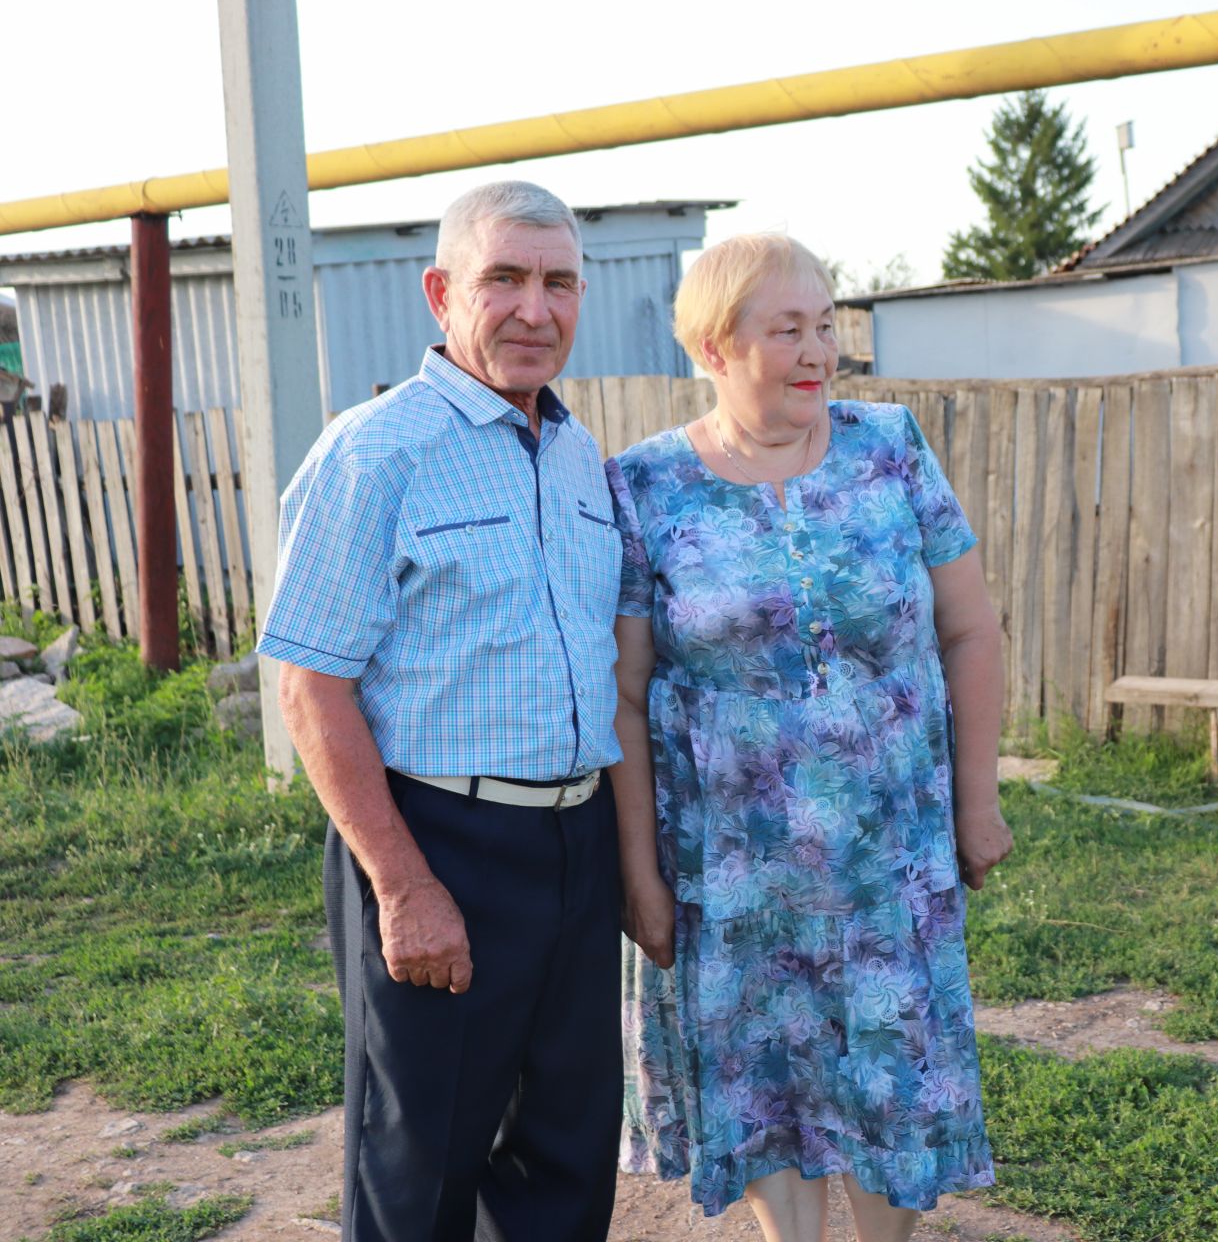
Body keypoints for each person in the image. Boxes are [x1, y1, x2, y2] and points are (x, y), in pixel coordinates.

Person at [606, 232, 1011, 1240]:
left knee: (888, 1081)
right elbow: (623, 692)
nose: (816, 350)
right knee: (763, 1081)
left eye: (826, 324)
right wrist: (641, 874)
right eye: (787, 329)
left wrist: (977, 798)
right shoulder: (645, 486)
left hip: (889, 855)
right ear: (714, 345)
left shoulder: (891, 444)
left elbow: (969, 627)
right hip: (732, 870)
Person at [262, 181, 625, 1240]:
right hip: (440, 839)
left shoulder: (576, 452)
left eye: (558, 282)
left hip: (576, 836)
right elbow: (310, 683)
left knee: (568, 1149)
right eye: (503, 278)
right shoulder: (375, 451)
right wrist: (403, 881)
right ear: (440, 292)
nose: (534, 308)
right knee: (421, 1161)